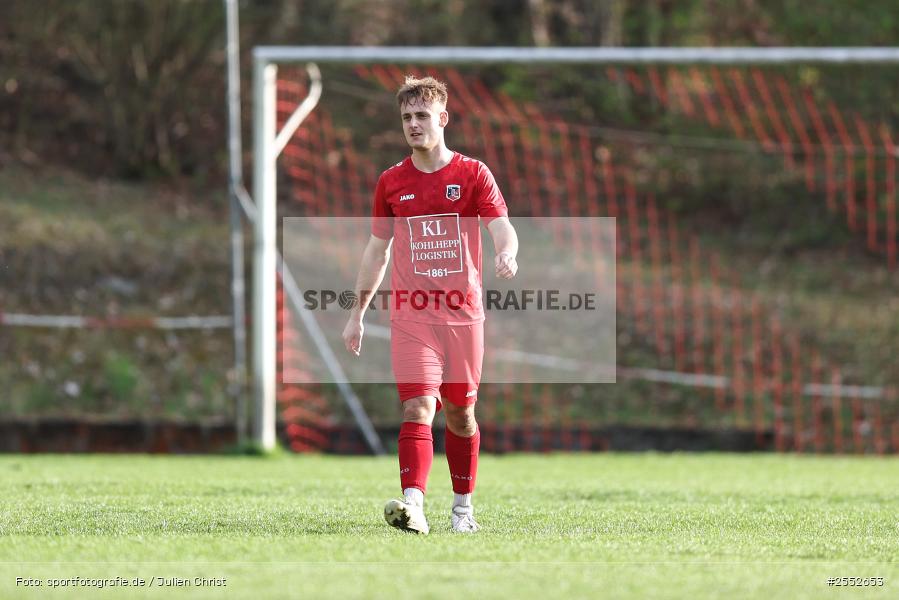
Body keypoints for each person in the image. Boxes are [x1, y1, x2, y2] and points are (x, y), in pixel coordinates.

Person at [342, 75, 518, 534]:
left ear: (442, 118)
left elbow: (501, 225)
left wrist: (506, 251)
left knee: (461, 413)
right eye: (406, 118)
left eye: (422, 116)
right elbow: (376, 250)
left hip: (464, 316)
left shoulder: (473, 174)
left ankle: (463, 510)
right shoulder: (391, 182)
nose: (413, 125)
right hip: (411, 314)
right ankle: (413, 505)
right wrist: (357, 313)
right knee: (419, 407)